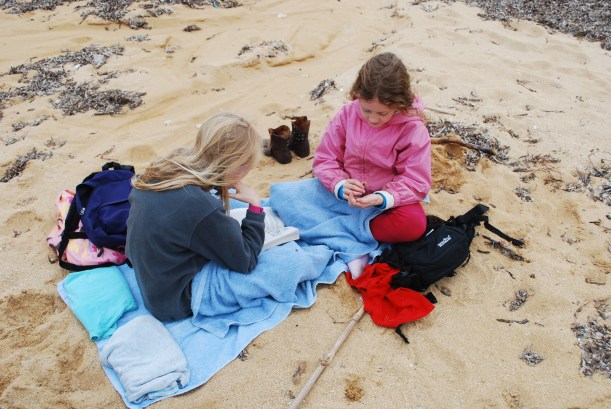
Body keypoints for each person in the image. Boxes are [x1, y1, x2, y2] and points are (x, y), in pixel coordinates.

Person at [126, 112, 266, 322]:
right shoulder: (200, 206)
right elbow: (245, 260)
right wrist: (255, 206)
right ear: (238, 167)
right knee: (285, 267)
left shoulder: (168, 165)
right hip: (173, 302)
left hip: (151, 279)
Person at [313, 52, 431, 274]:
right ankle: (345, 228)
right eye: (366, 110)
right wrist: (340, 185)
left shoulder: (413, 129)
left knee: (414, 224)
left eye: (382, 113)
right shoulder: (348, 114)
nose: (373, 119)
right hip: (346, 194)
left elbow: (416, 180)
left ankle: (349, 230)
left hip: (386, 201)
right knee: (291, 198)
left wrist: (384, 198)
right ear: (357, 95)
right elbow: (325, 158)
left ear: (399, 105)